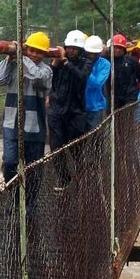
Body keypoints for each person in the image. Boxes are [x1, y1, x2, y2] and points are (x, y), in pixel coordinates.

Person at [0, 31, 53, 184]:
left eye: (39, 52)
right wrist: (9, 58)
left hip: (34, 127)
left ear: (45, 54)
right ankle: (13, 199)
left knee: (33, 169)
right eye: (31, 50)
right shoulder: (14, 66)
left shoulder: (46, 70)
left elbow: (37, 77)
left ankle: (30, 205)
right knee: (10, 163)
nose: (34, 54)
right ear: (26, 49)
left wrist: (23, 57)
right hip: (11, 125)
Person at [47, 30, 93, 188]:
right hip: (56, 110)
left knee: (76, 148)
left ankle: (81, 176)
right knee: (56, 147)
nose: (71, 50)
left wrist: (66, 62)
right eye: (69, 47)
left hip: (75, 112)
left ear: (80, 50)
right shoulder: (58, 63)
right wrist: (55, 62)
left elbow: (81, 77)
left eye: (75, 48)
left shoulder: (85, 62)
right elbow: (48, 79)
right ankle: (63, 178)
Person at [106, 34, 140, 111]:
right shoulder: (106, 62)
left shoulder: (131, 61)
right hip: (113, 98)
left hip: (129, 97)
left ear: (124, 49)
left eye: (120, 48)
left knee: (128, 119)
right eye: (116, 47)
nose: (118, 50)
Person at [84, 35, 110, 130]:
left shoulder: (104, 64)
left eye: (95, 53)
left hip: (96, 106)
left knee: (95, 136)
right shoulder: (81, 61)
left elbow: (97, 84)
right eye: (89, 53)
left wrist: (88, 70)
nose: (92, 56)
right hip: (79, 106)